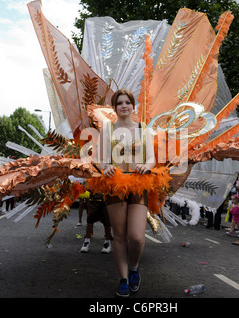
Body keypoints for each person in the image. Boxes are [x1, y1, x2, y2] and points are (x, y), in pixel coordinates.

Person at [96, 89, 156, 297]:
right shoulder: (107, 130)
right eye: (119, 103)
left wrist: (146, 167)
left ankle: (133, 267)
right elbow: (100, 159)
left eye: (127, 102)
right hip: (115, 185)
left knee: (137, 237)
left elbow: (152, 159)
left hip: (139, 184)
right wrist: (106, 168)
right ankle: (123, 279)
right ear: (114, 108)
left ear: (133, 106)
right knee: (119, 235)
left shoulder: (143, 129)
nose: (124, 106)